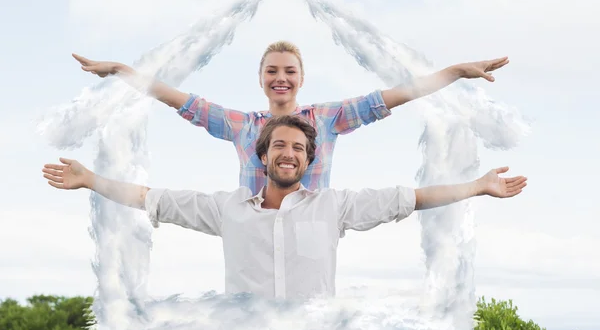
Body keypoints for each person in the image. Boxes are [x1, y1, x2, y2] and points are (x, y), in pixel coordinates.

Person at [42, 115, 527, 330]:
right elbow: (153, 197)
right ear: (264, 155)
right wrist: (90, 179)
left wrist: (478, 185)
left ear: (309, 160)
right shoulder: (226, 209)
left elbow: (412, 198)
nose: (288, 153)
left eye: (298, 147)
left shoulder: (333, 208)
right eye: (279, 145)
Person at [72, 41, 510, 195]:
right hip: (255, 236)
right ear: (261, 79)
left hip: (310, 234)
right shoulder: (242, 124)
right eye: (272, 71)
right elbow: (180, 100)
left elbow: (394, 96)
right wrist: (124, 73)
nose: (281, 78)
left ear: (301, 79)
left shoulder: (327, 118)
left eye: (289, 72)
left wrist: (452, 73)